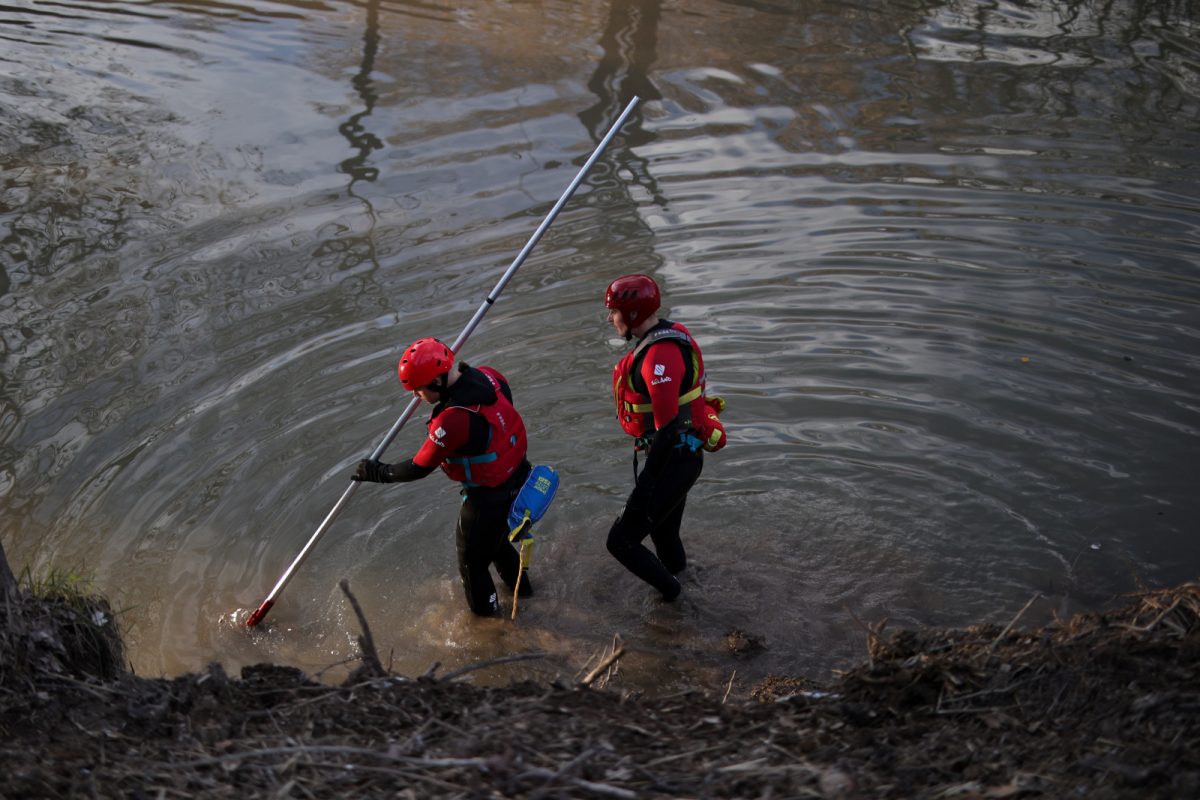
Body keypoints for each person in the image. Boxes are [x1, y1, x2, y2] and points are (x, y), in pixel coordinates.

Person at [351, 337, 532, 616]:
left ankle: (488, 627)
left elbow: (419, 467)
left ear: (436, 381)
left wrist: (378, 472)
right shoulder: (491, 377)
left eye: (418, 389)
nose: (415, 397)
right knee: (497, 544)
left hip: (487, 501)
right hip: (519, 480)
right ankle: (527, 595)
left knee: (472, 563)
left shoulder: (453, 420)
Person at [605, 274, 709, 601]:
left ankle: (675, 599)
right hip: (681, 455)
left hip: (674, 458)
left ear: (633, 315)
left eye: (615, 311)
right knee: (664, 536)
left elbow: (666, 430)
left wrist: (644, 488)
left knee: (620, 541)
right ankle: (688, 590)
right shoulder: (664, 338)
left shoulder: (658, 356)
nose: (610, 318)